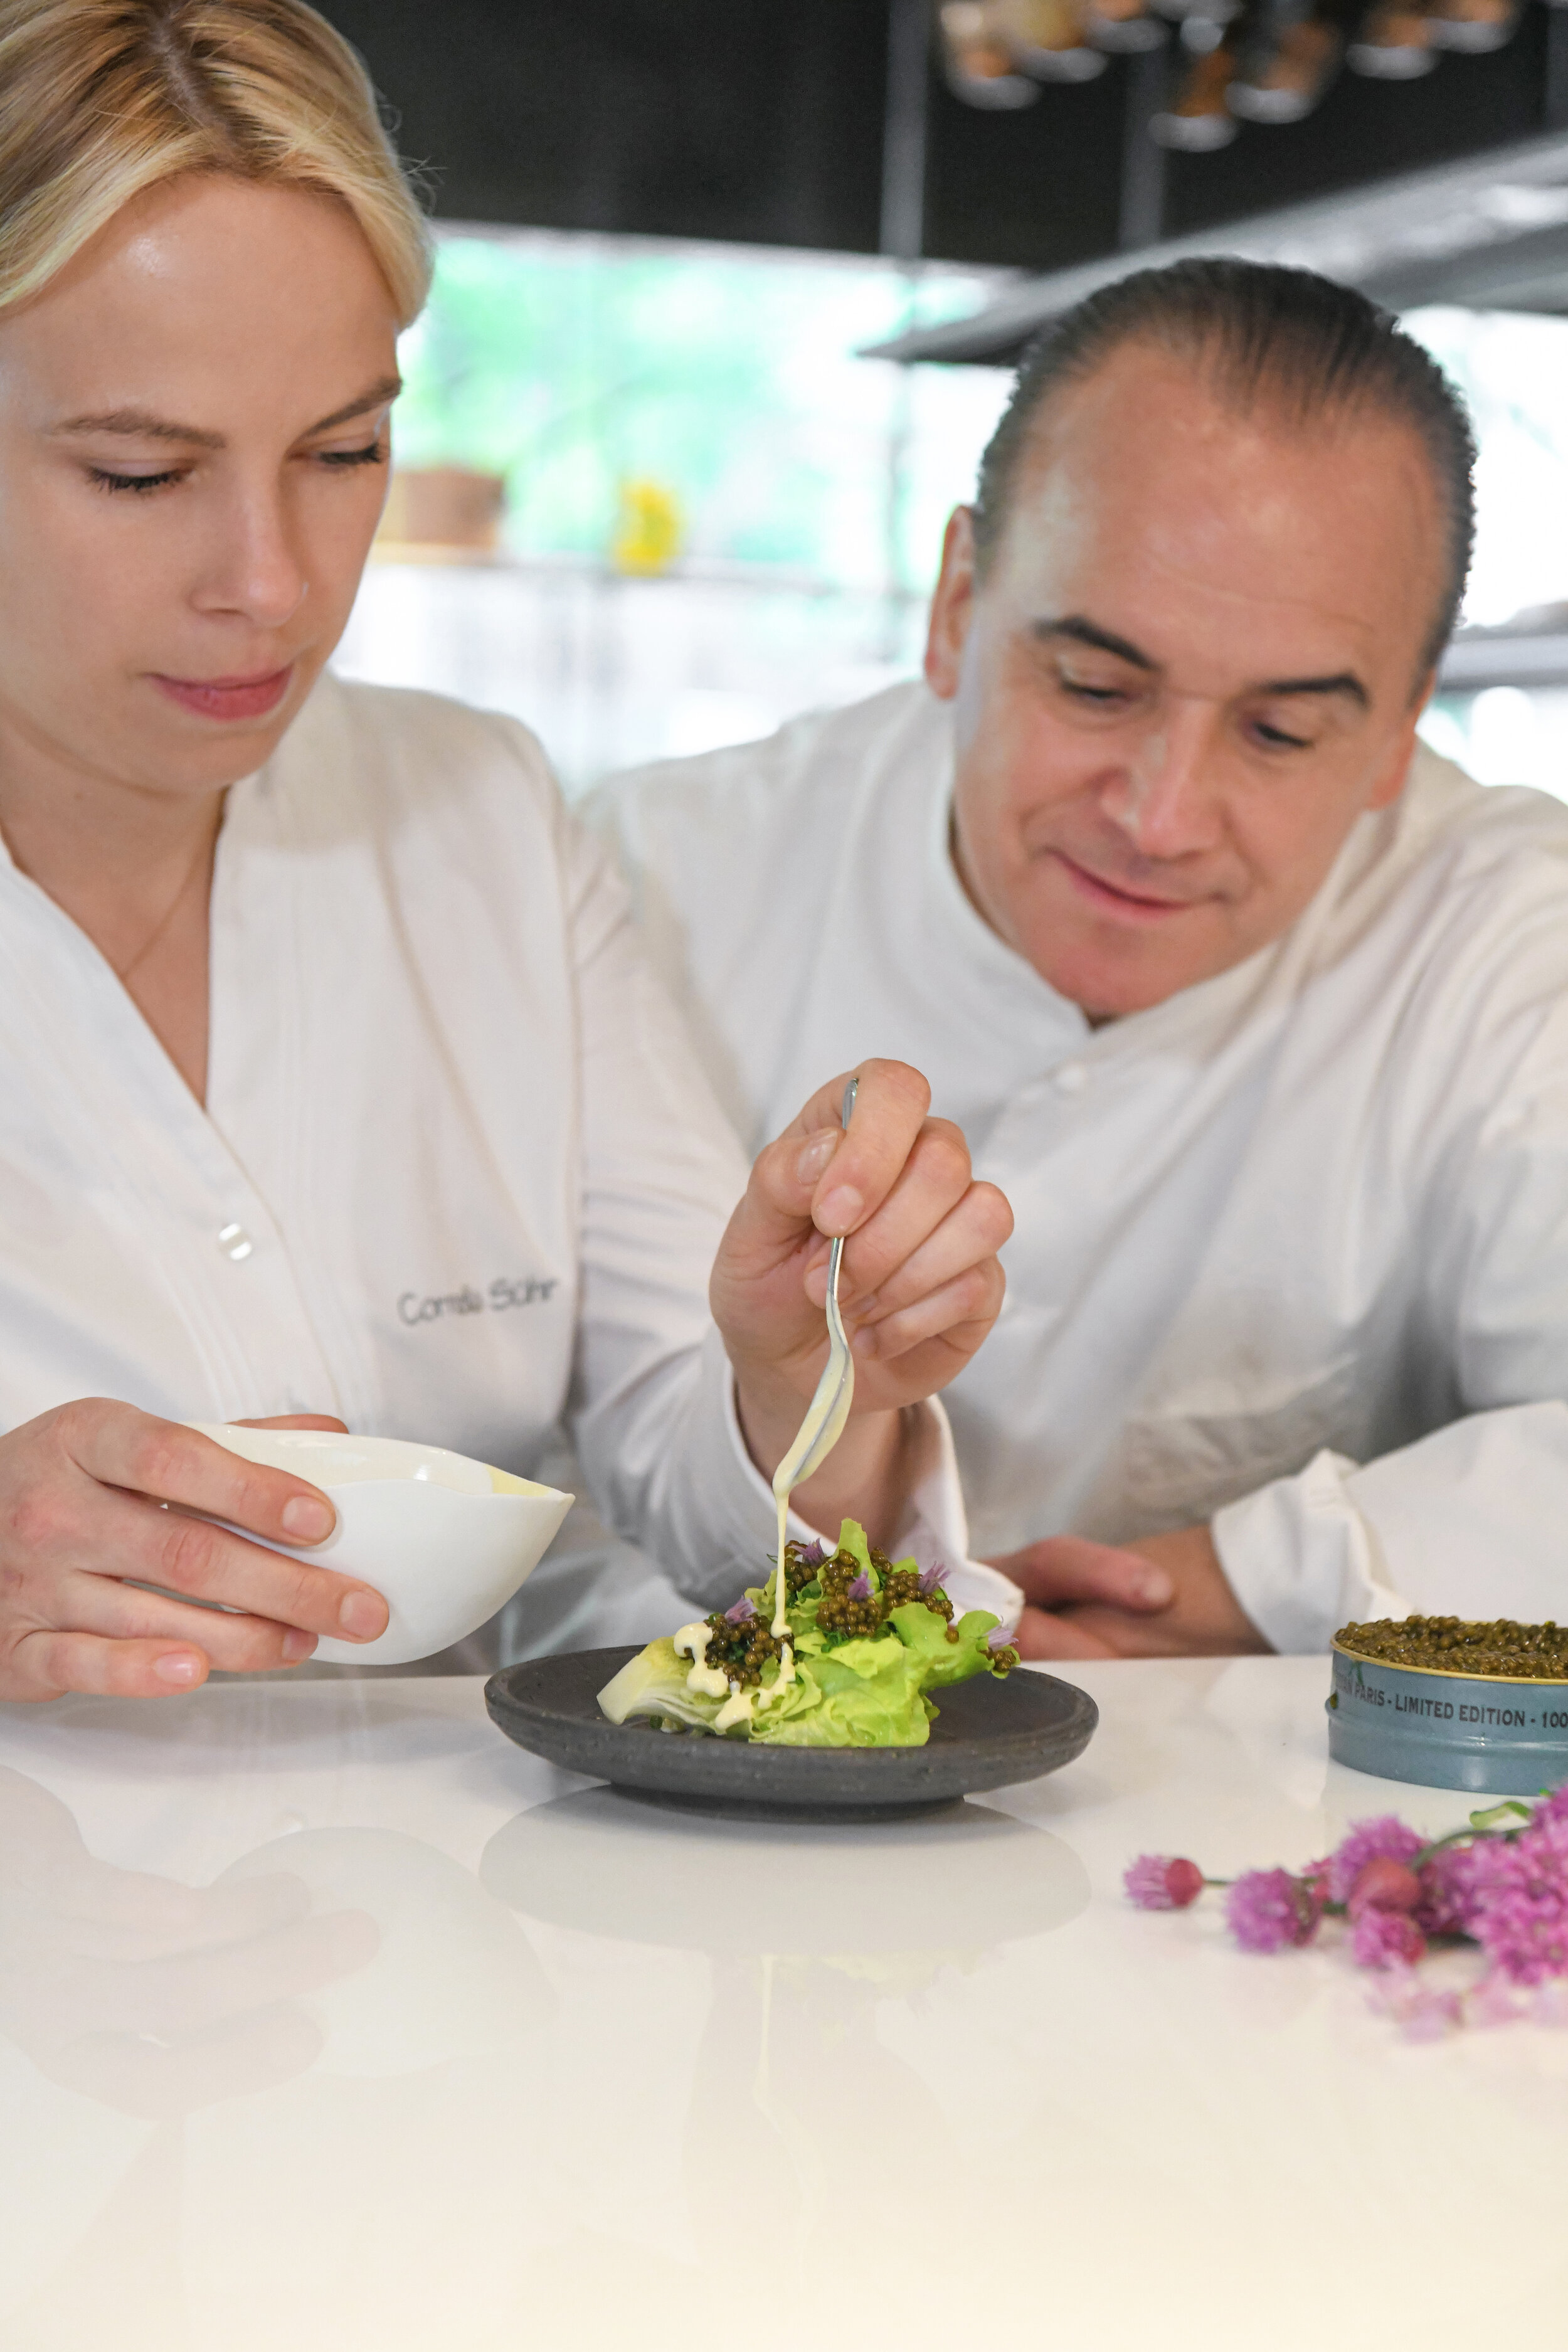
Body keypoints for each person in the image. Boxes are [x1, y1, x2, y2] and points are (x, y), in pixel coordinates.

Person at [0, 0, 1014, 1705]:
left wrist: (803, 1378)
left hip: (435, 1938)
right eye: (141, 470)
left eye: (344, 452)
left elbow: (705, 1495)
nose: (272, 576)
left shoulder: (476, 818)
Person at [590, 257, 1568, 1660]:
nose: (1160, 817)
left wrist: (1245, 1582)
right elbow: (536, 1477)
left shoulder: (1505, 936)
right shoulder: (653, 880)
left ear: (1402, 728)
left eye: (1279, 733)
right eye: (1096, 688)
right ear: (953, 606)